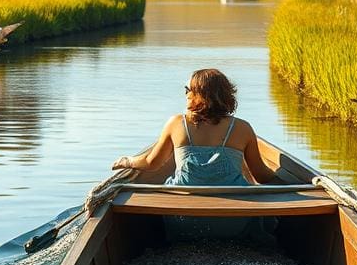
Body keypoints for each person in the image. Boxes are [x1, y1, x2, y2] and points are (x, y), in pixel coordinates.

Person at [112, 68, 277, 185]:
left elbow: (151, 163)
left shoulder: (176, 124)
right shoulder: (242, 128)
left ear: (201, 95)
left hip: (182, 217)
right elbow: (261, 176)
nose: (186, 94)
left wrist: (128, 161)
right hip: (236, 217)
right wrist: (285, 177)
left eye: (188, 89)